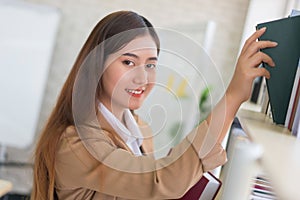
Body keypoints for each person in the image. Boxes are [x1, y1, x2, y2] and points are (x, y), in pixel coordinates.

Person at [30, 10, 277, 200]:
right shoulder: (75, 143)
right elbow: (161, 180)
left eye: (150, 64)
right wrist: (233, 96)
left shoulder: (140, 129)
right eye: (128, 62)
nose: (142, 77)